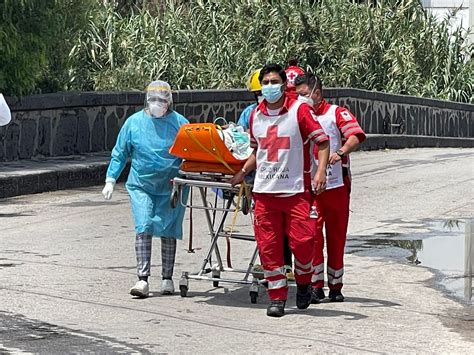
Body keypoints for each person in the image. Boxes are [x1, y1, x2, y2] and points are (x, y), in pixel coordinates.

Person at [230, 63, 330, 317]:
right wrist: (242, 172)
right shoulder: (255, 116)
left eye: (274, 82)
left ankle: (305, 282)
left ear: (284, 85)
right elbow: (257, 151)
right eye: (265, 82)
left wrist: (319, 173)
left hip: (296, 191)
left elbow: (322, 142)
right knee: (269, 247)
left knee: (304, 243)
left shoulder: (300, 110)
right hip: (264, 194)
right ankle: (277, 298)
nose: (269, 87)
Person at [102, 80, 189, 298]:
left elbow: (192, 152)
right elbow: (120, 152)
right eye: (153, 99)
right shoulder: (134, 123)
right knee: (144, 225)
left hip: (172, 184)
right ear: (146, 101)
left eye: (162, 100)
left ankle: (167, 278)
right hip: (142, 184)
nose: (157, 104)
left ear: (169, 102)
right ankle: (142, 279)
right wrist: (111, 179)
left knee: (168, 229)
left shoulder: (180, 124)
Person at [295, 73, 366, 303]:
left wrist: (341, 152)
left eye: (303, 95)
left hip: (336, 185)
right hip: (310, 187)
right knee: (312, 237)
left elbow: (355, 135)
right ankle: (316, 285)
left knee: (336, 237)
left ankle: (336, 286)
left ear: (316, 93)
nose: (299, 99)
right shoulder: (296, 115)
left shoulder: (335, 113)